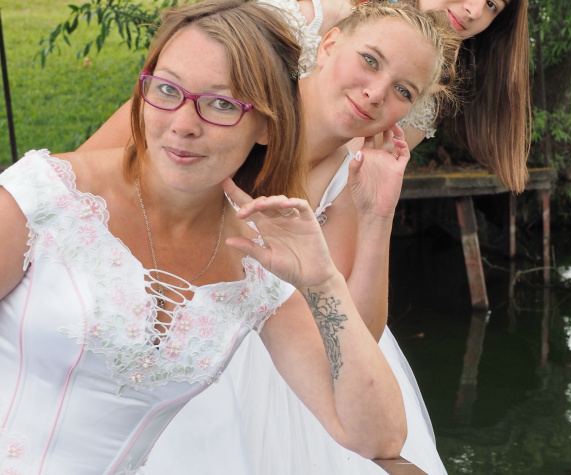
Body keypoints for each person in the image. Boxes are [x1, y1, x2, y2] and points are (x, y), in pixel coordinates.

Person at [0, 2, 411, 473]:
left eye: (221, 104)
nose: (182, 124)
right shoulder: (46, 196)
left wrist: (323, 283)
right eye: (167, 89)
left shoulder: (255, 263)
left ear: (267, 125)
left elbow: (377, 436)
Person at [137, 2, 460, 474]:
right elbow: (91, 176)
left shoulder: (352, 172)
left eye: (403, 91)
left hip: (285, 354)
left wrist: (377, 215)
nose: (375, 94)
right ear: (329, 44)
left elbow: (355, 337)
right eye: (370, 60)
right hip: (175, 321)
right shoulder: (237, 100)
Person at [79, 0, 531, 192]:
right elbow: (173, 97)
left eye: (493, 5)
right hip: (167, 162)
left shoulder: (423, 101)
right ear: (331, 45)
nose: (474, 10)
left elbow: (334, 185)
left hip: (267, 216)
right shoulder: (313, 16)